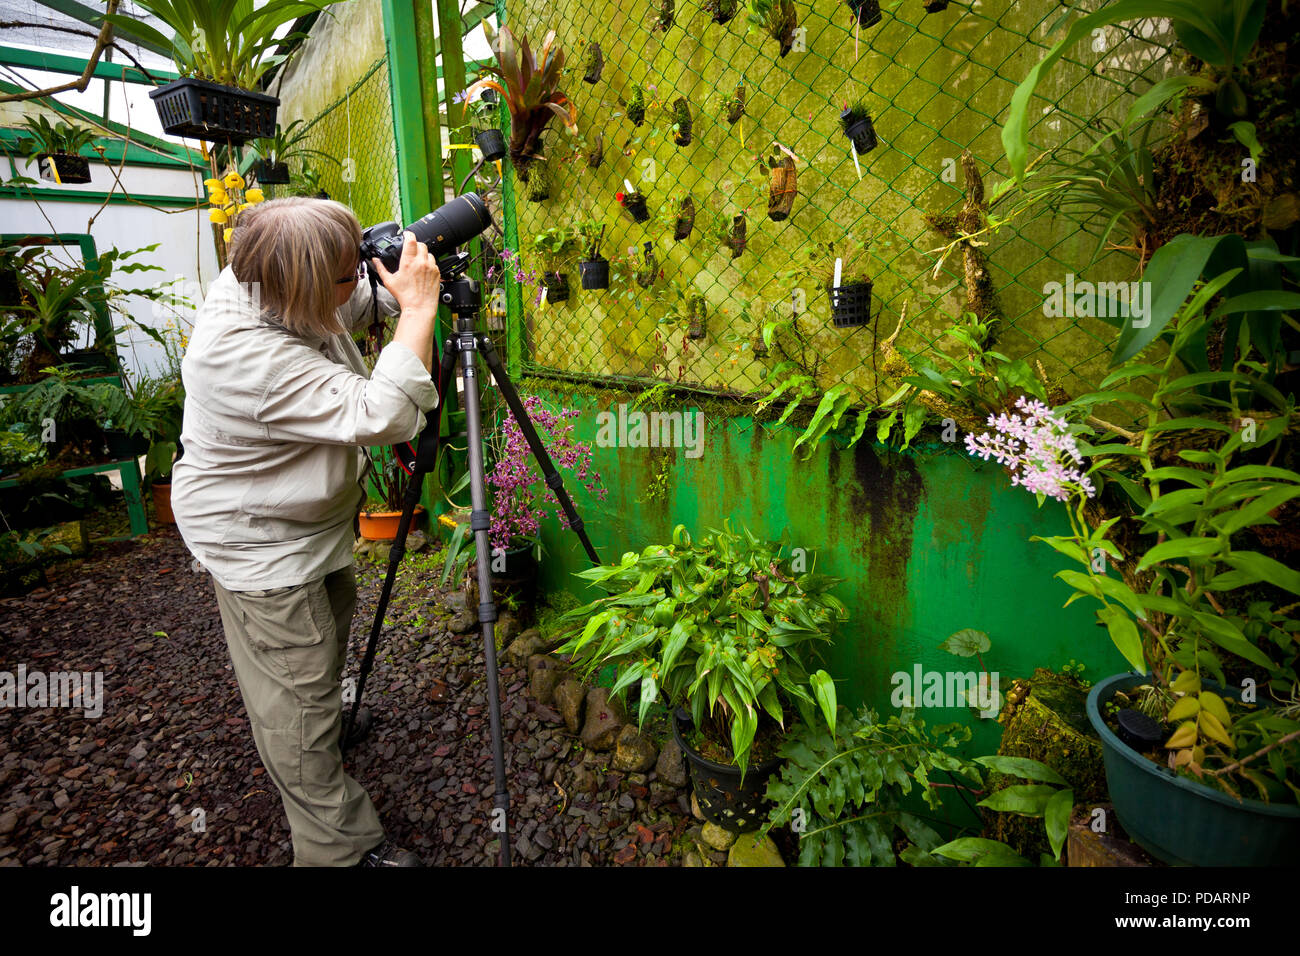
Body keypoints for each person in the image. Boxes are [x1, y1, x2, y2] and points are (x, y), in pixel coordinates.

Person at [171, 197, 441, 867]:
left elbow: (338, 308)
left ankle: (318, 720)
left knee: (318, 648)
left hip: (302, 522)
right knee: (294, 695)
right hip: (263, 543)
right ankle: (337, 848)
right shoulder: (240, 355)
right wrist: (418, 311)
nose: (360, 275)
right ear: (304, 282)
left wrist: (385, 280)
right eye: (350, 268)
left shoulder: (262, 281)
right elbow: (379, 414)